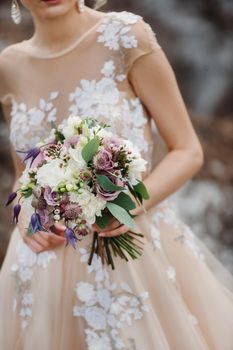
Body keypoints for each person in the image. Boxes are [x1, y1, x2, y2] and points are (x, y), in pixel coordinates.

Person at [0, 0, 233, 349]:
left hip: (131, 258)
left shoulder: (126, 36)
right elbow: (24, 174)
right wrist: (23, 215)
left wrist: (130, 202)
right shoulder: (9, 65)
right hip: (42, 267)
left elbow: (188, 150)